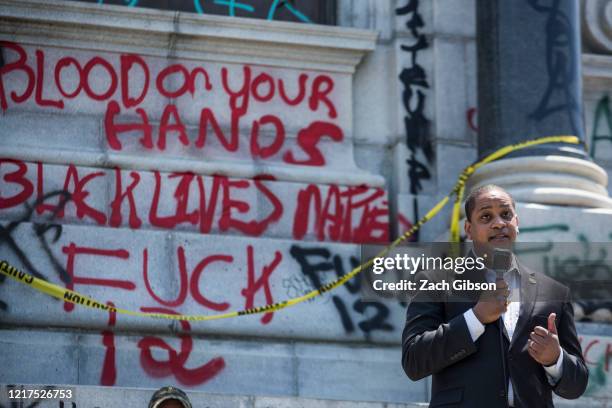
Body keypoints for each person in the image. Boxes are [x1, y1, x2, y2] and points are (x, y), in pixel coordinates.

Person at [401, 185, 588, 407]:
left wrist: (555, 359)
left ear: (517, 223)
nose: (499, 223)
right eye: (486, 216)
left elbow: (577, 384)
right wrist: (476, 318)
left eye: (506, 214)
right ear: (468, 230)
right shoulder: (435, 281)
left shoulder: (554, 292)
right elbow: (414, 361)